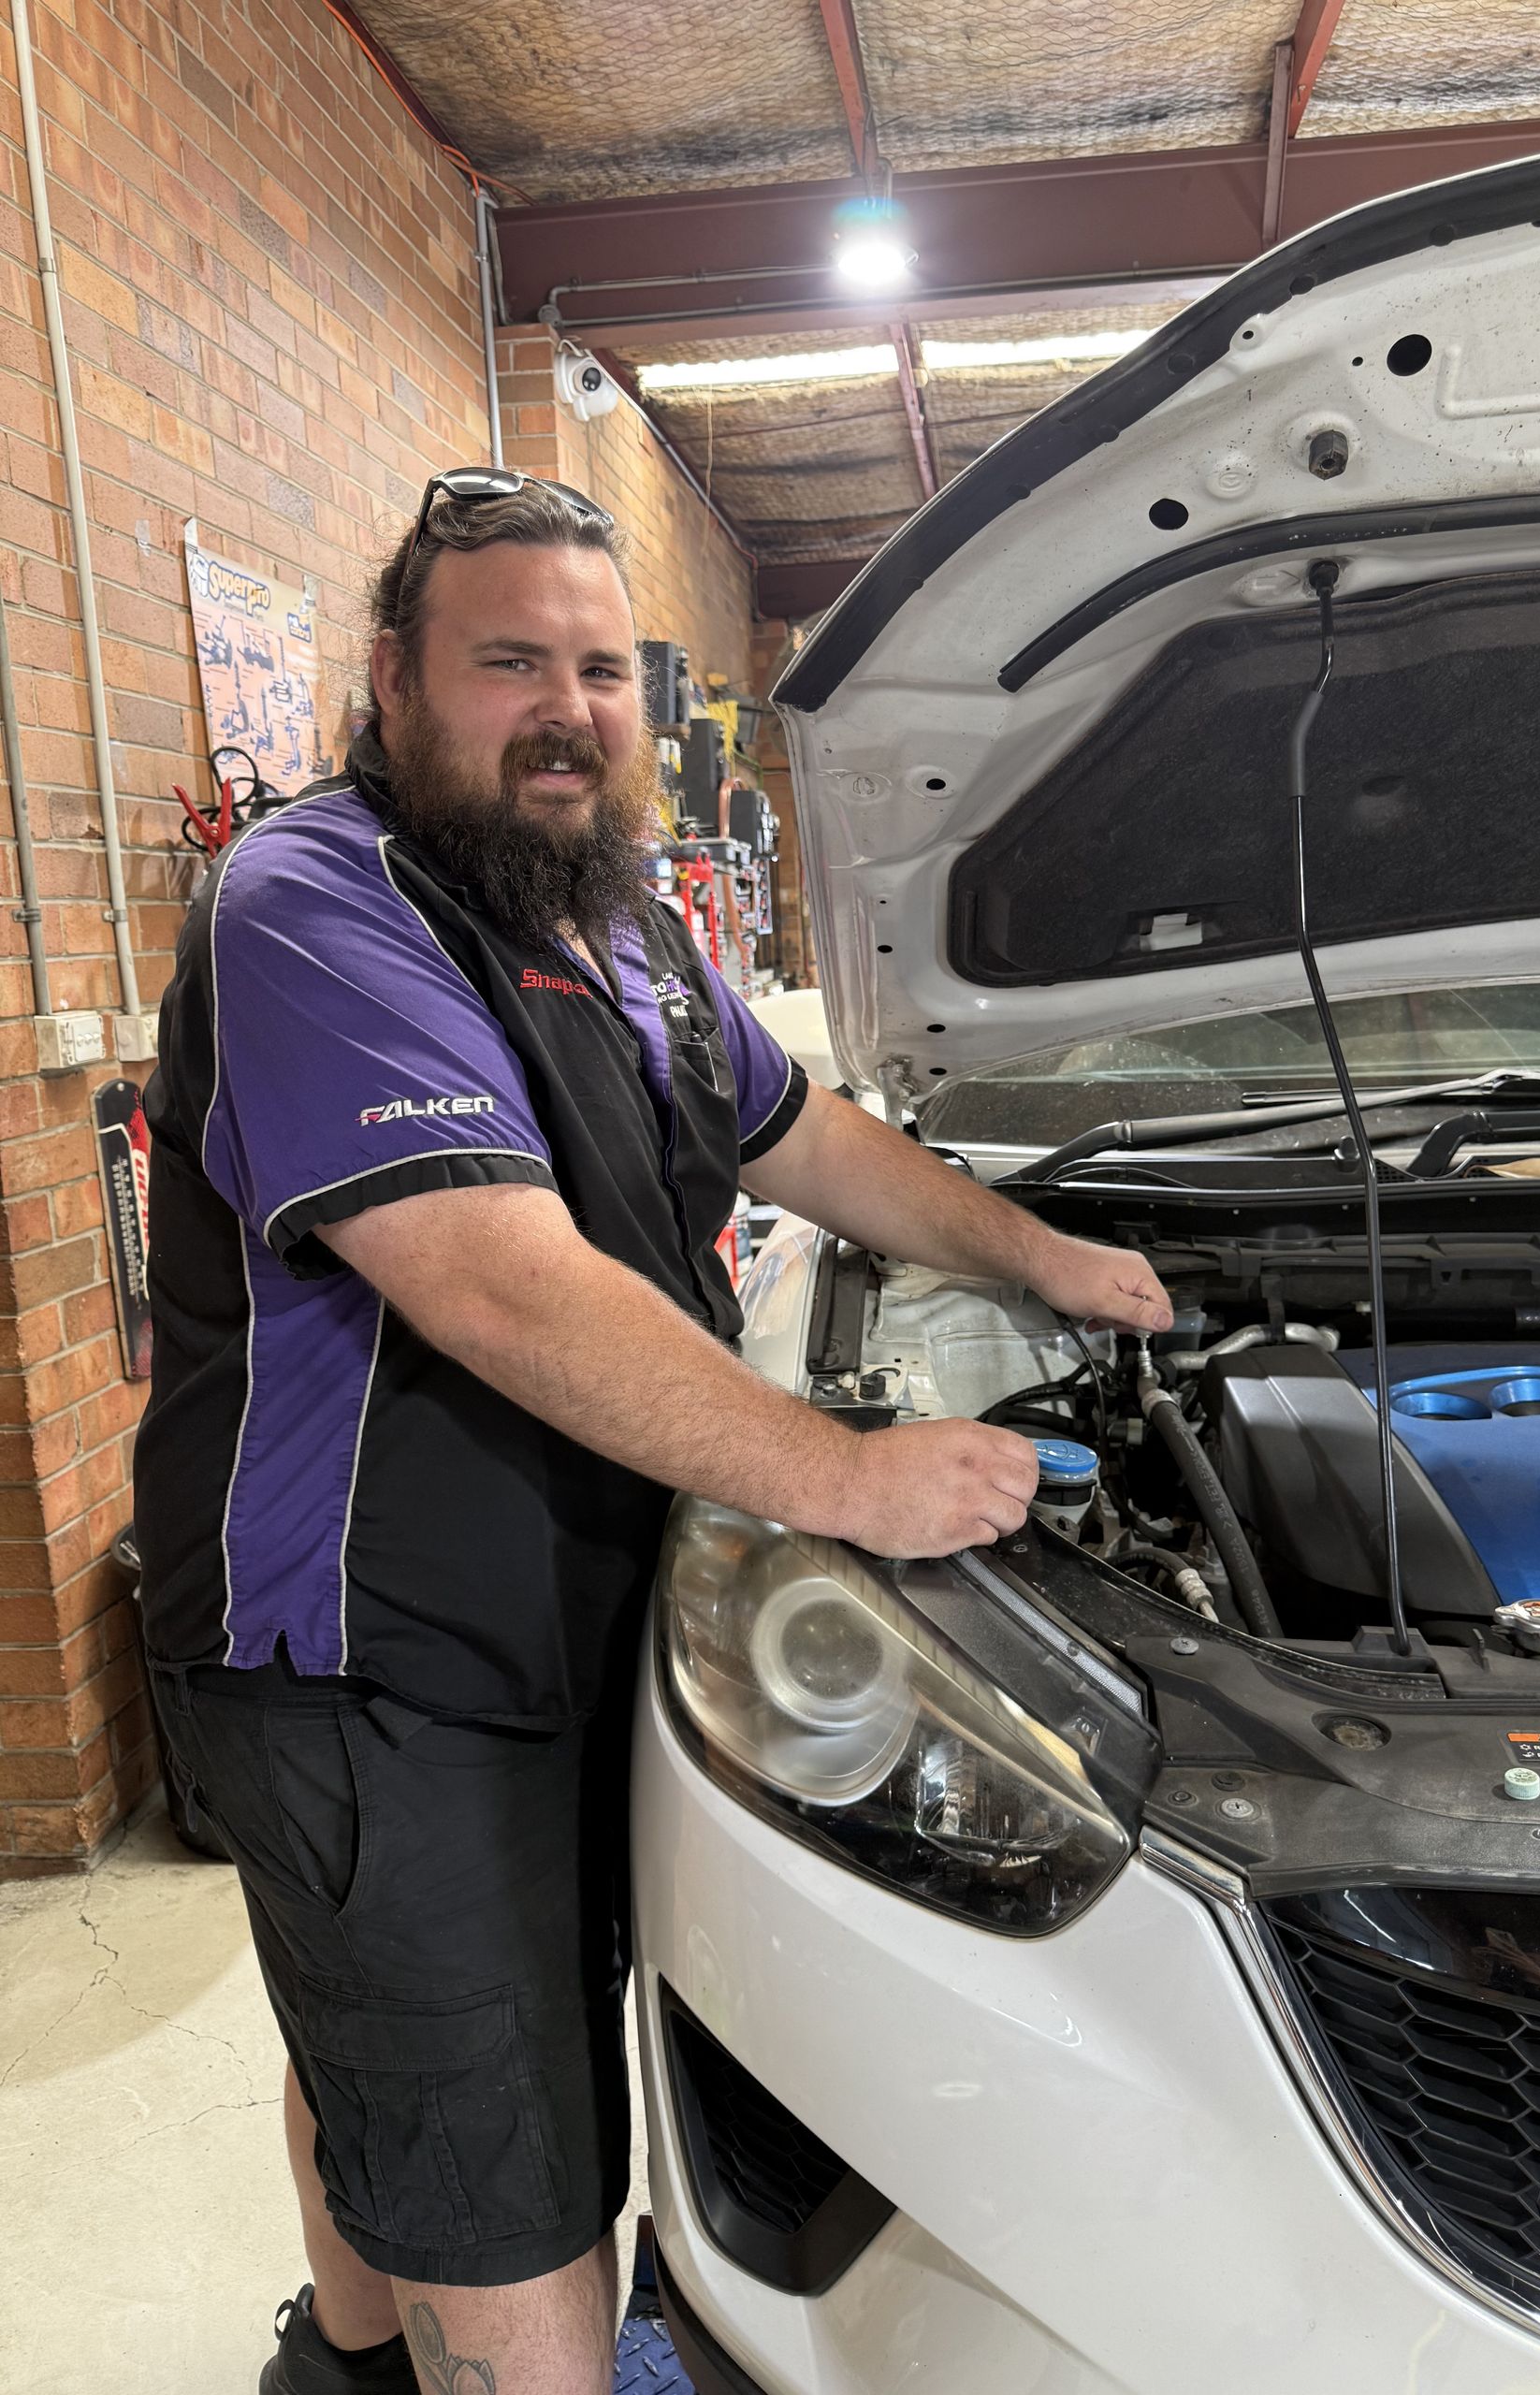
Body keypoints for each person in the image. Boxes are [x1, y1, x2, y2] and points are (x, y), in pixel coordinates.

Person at [135, 468, 1174, 2395]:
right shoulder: (314, 900)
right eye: (508, 658)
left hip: (569, 1590)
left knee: (399, 2033)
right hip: (368, 1644)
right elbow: (494, 1279)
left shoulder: (623, 929)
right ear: (392, 678)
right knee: (505, 2112)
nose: (568, 708)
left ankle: (341, 2358)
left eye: (602, 669)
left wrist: (1043, 1252)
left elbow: (809, 1136)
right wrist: (847, 1475)